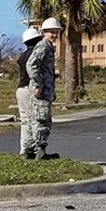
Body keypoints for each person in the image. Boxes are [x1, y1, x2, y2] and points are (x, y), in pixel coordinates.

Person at [24, 17, 63, 160]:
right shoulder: (43, 46)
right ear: (44, 32)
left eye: (56, 32)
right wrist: (38, 84)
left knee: (34, 119)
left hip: (45, 90)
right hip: (40, 91)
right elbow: (31, 65)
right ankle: (39, 150)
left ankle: (30, 150)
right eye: (50, 32)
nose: (53, 35)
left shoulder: (48, 47)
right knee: (42, 119)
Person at [16, 26, 42, 156]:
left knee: (24, 120)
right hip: (30, 88)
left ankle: (24, 148)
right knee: (35, 119)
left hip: (20, 89)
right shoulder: (35, 55)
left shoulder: (22, 56)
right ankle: (35, 148)